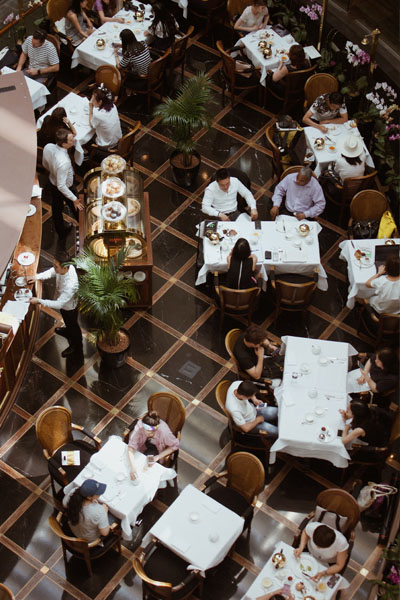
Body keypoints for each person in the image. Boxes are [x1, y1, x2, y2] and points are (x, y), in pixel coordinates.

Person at [28, 251, 83, 358]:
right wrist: (36, 277)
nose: (54, 267)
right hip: (64, 304)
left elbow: (58, 304)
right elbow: (52, 272)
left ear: (64, 267)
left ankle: (76, 345)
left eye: (56, 266)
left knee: (73, 325)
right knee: (67, 321)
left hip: (70, 308)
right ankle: (68, 331)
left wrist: (39, 301)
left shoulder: (70, 284)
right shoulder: (62, 269)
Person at [42, 128, 84, 237]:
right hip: (65, 186)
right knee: (77, 207)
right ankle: (84, 227)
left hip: (52, 181)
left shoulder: (48, 146)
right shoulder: (64, 162)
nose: (73, 140)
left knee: (56, 208)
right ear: (64, 144)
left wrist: (53, 171)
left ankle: (61, 231)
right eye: (71, 140)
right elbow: (61, 186)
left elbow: (45, 164)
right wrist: (74, 199)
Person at [128, 411, 179, 480]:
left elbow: (175, 445)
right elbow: (131, 446)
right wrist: (133, 467)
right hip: (143, 446)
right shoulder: (140, 426)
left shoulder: (164, 433)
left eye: (150, 434)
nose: (146, 434)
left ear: (156, 430)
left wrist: (157, 457)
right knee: (138, 463)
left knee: (148, 470)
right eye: (145, 432)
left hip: (159, 450)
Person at [89, 84, 122, 149]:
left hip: (107, 144)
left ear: (100, 102)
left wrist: (90, 109)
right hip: (118, 138)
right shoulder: (113, 106)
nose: (92, 100)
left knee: (88, 135)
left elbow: (92, 125)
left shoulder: (98, 115)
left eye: (93, 99)